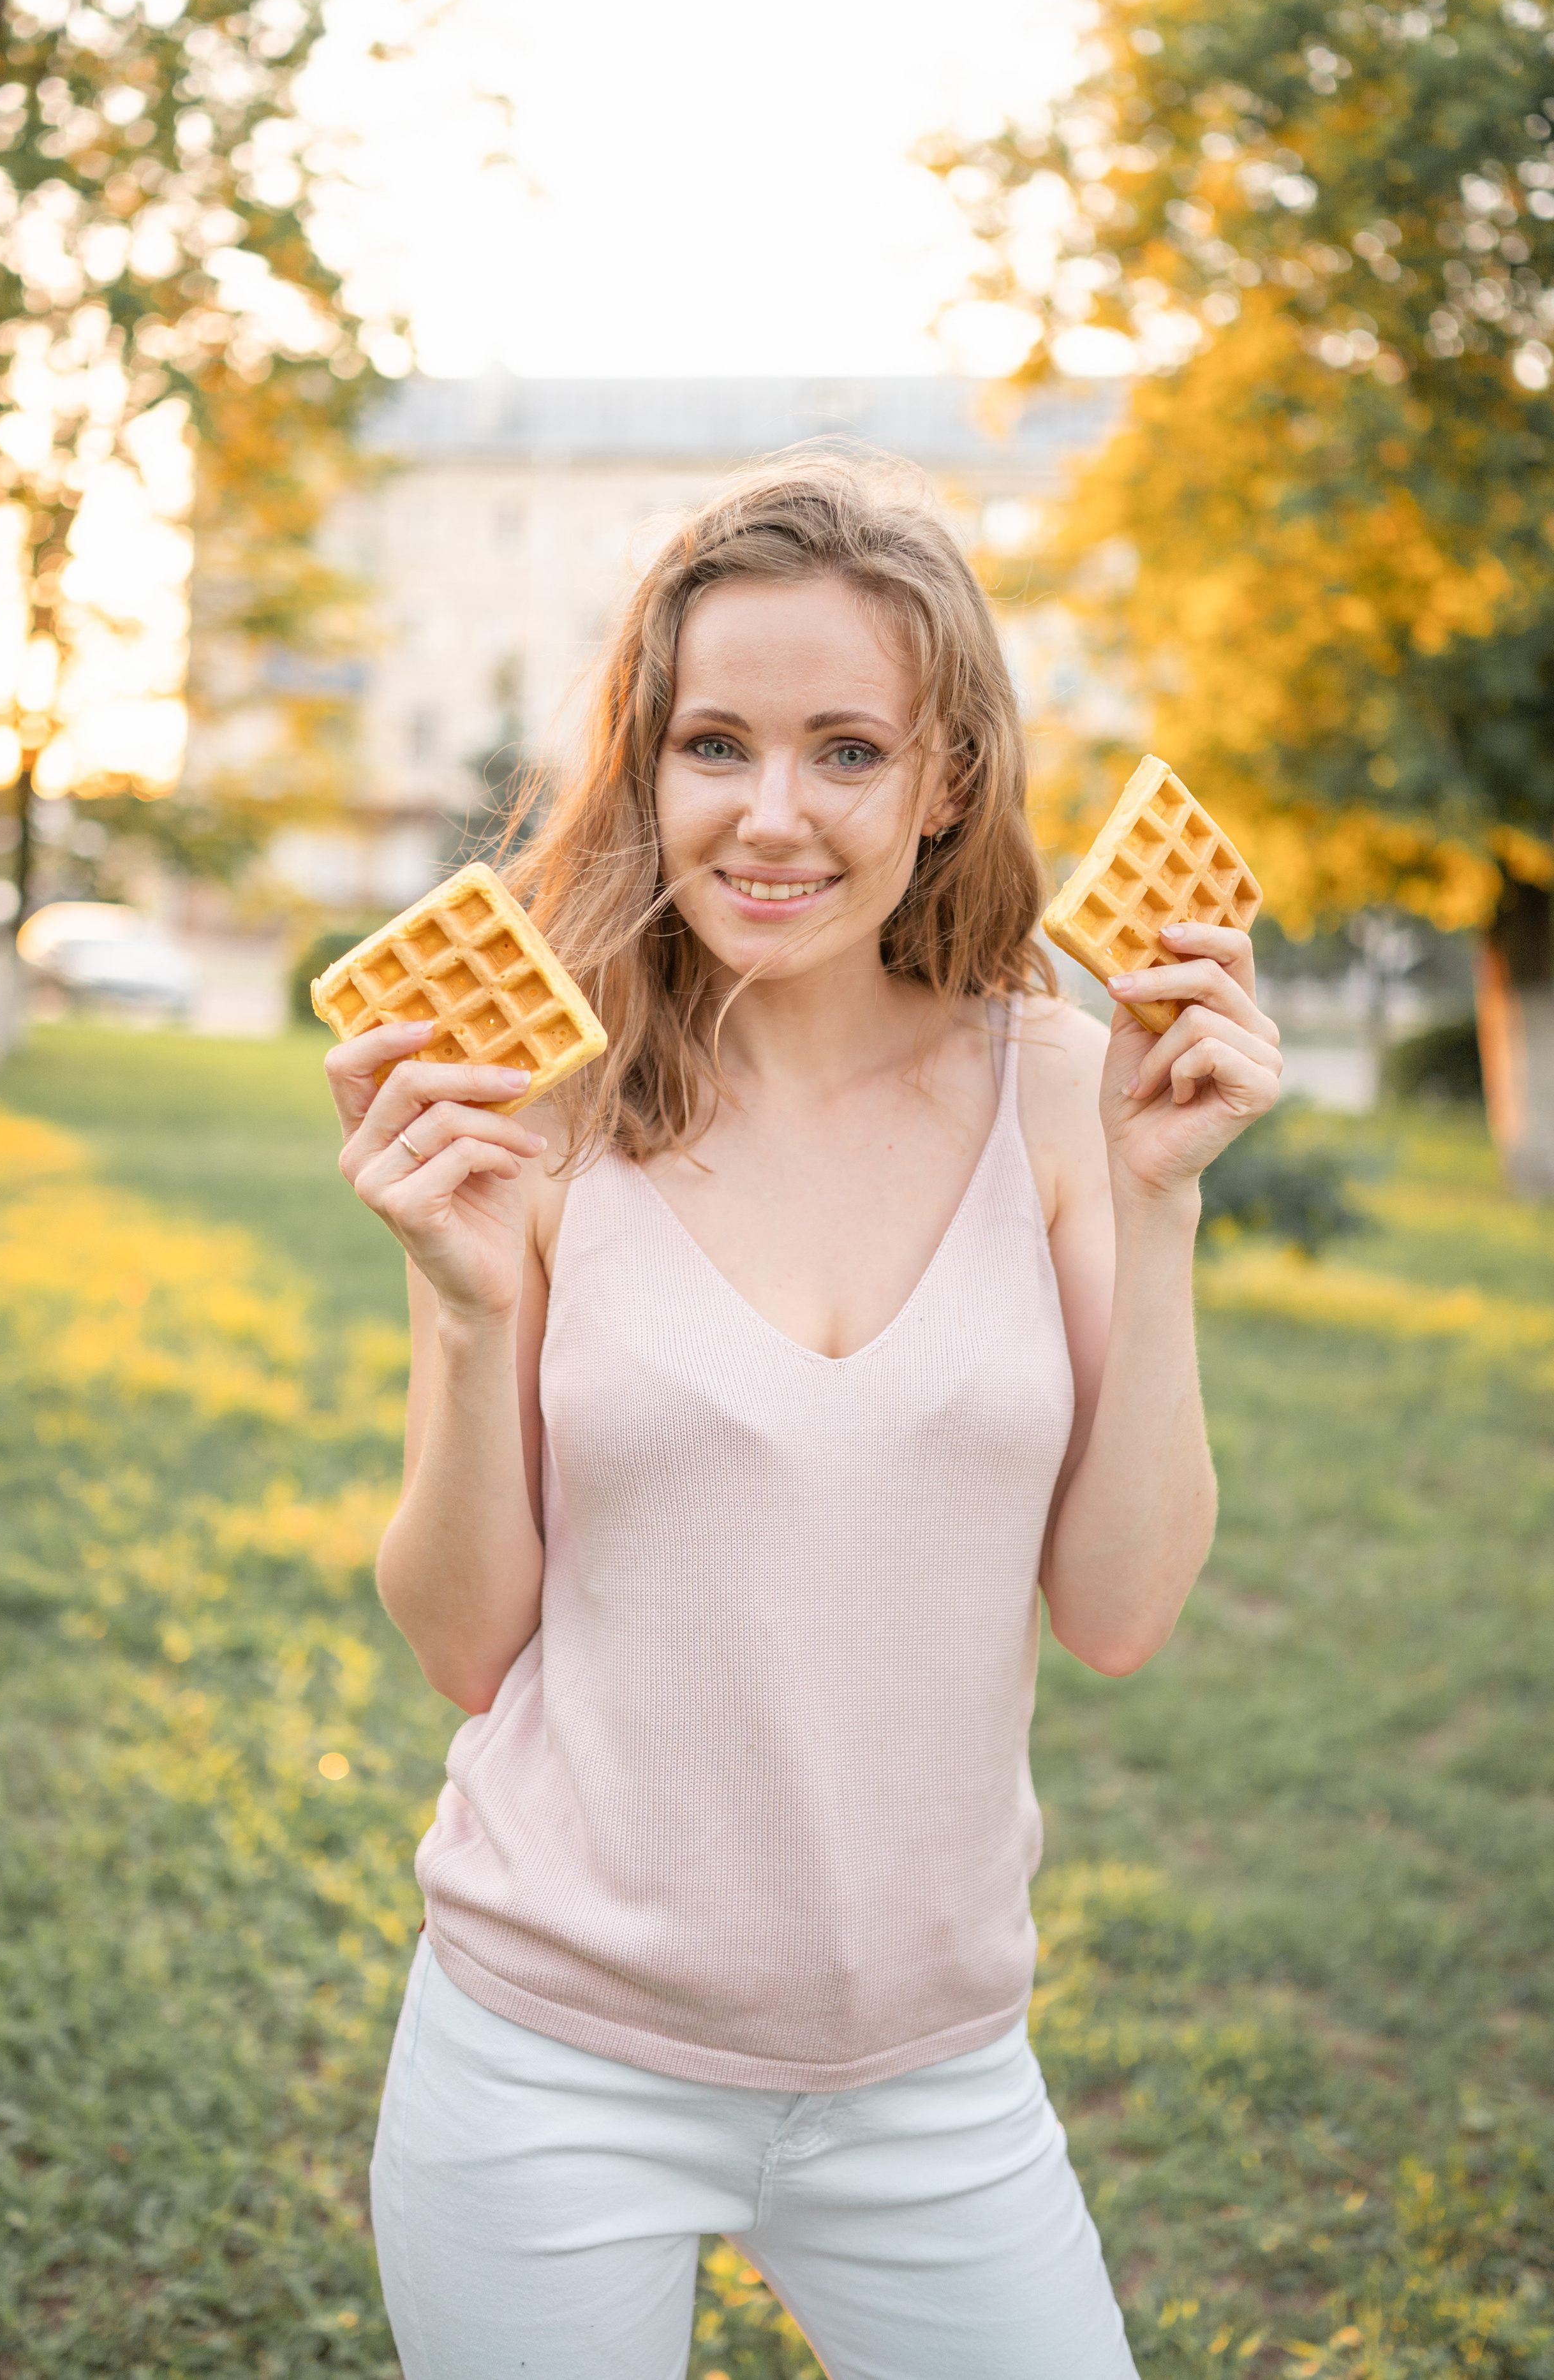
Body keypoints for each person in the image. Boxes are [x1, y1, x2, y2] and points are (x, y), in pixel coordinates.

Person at [325, 455, 1282, 2380]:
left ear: (946, 786)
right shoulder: (546, 1106)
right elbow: (460, 1644)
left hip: (935, 2077)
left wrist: (1160, 1201)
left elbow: (1119, 1615)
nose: (771, 817)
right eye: (715, 746)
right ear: (647, 769)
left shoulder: (1063, 1094)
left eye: (849, 750)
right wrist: (462, 1303)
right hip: (548, 2064)